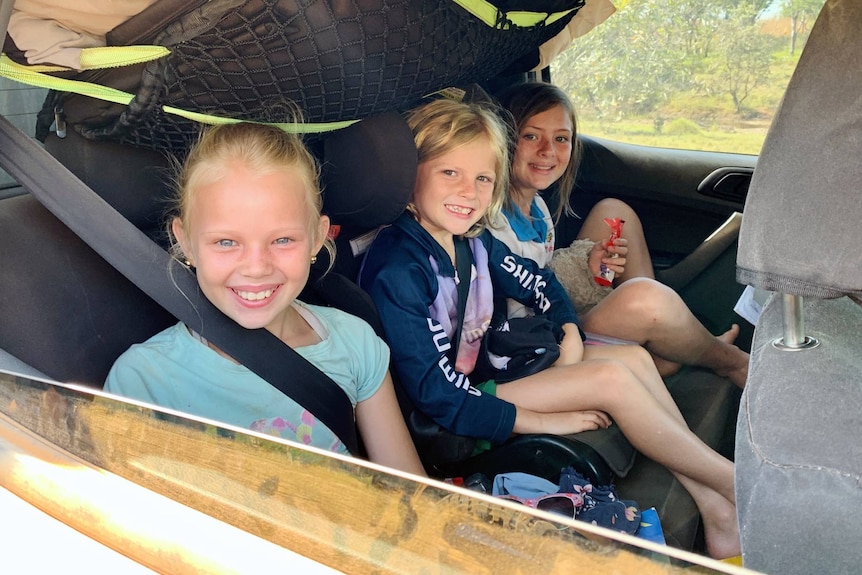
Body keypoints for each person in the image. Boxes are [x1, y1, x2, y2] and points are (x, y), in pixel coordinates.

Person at [358, 98, 740, 559]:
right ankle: (735, 486)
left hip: (493, 372)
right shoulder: (399, 269)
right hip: (448, 416)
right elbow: (437, 394)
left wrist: (569, 330)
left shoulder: (470, 241)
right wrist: (545, 420)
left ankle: (713, 505)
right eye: (449, 173)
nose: (469, 191)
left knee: (633, 357)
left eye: (482, 178)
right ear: (410, 176)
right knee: (610, 378)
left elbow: (541, 281)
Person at [105, 122, 425, 476]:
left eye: (283, 240)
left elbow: (409, 494)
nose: (256, 268)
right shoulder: (144, 380)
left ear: (317, 237)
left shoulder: (356, 343)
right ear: (185, 241)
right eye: (226, 242)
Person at [491, 80, 749, 387]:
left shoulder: (535, 205)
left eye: (561, 138)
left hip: (551, 312)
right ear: (504, 140)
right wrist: (580, 269)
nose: (548, 151)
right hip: (536, 340)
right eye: (531, 136)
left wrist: (587, 262)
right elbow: (520, 301)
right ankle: (730, 362)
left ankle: (665, 343)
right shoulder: (494, 224)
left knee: (614, 212)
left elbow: (540, 270)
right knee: (644, 298)